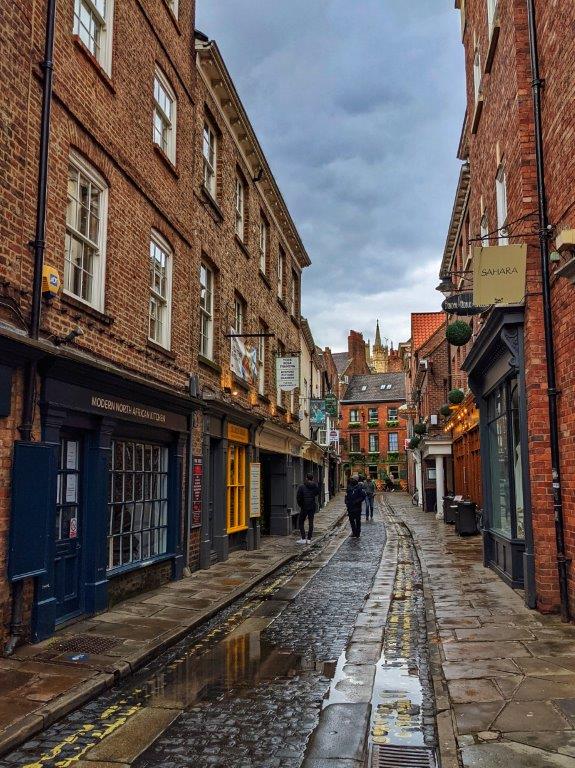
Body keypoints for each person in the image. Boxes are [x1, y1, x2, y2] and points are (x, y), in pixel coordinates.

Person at [296, 472, 320, 544]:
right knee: (311, 522)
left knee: (300, 522)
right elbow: (317, 493)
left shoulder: (302, 486)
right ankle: (309, 539)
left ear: (306, 478)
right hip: (312, 506)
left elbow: (298, 498)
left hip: (304, 506)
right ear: (312, 478)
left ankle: (303, 538)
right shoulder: (315, 486)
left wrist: (301, 505)